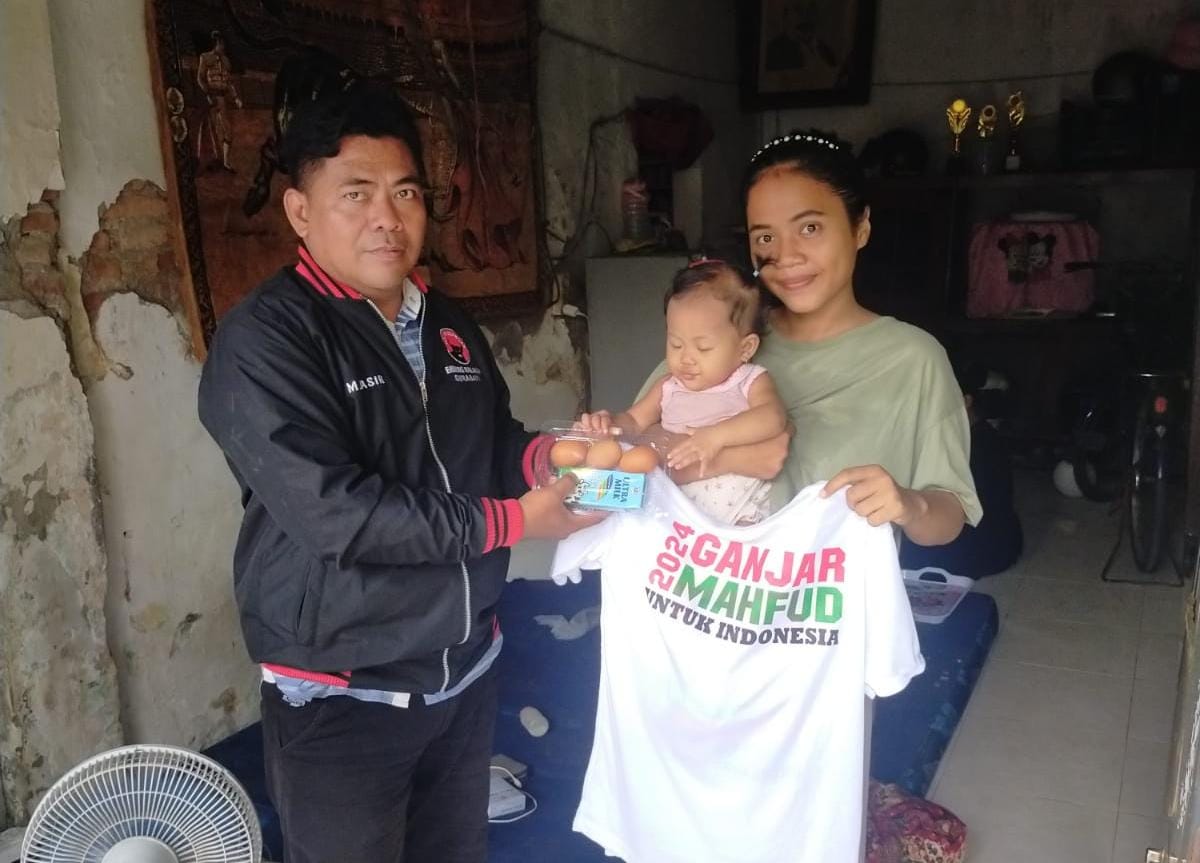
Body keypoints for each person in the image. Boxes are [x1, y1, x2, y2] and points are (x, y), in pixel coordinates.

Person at [197, 77, 599, 863]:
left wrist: (551, 456)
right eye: (356, 193)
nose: (388, 216)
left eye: (406, 191)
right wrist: (520, 520)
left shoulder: (445, 323)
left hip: (464, 669)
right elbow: (336, 513)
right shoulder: (266, 341)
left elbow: (492, 440)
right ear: (300, 211)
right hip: (345, 686)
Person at [578, 258, 788, 524]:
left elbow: (772, 417)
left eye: (703, 348)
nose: (686, 358)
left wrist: (715, 437)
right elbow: (633, 421)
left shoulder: (749, 380)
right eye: (676, 344)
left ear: (745, 348)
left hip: (737, 502)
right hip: (673, 504)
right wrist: (608, 424)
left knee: (743, 544)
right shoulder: (668, 386)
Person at [900, 360, 1023, 577]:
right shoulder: (969, 437)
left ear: (966, 401)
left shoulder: (981, 444)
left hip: (981, 547)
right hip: (991, 543)